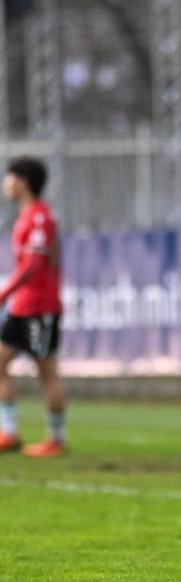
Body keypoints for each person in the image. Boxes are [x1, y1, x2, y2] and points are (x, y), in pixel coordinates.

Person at [0, 157, 68, 458]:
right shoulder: (27, 216)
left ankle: (56, 438)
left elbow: (34, 264)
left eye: (9, 177)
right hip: (23, 307)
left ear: (23, 181)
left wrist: (5, 291)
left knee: (47, 371)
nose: (6, 184)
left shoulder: (39, 217)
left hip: (40, 307)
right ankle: (9, 432)